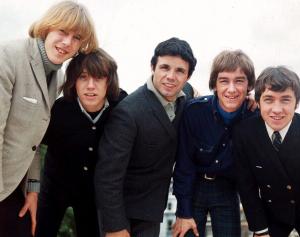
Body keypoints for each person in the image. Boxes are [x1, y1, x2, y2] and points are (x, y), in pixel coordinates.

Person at [0, 1, 98, 236]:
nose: (67, 42)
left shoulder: (58, 77)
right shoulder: (8, 57)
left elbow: (34, 140)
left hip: (16, 185)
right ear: (47, 28)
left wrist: (33, 190)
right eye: (62, 31)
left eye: (76, 37)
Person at [94, 37, 197, 237]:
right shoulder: (128, 112)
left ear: (188, 76)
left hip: (151, 212)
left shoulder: (185, 98)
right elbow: (107, 175)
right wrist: (114, 226)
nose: (170, 76)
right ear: (153, 66)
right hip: (122, 213)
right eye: (164, 67)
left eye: (179, 71)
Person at [35, 48, 127, 237]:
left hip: (94, 192)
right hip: (55, 186)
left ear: (109, 81)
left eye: (98, 78)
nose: (90, 86)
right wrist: (32, 189)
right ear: (73, 81)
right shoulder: (58, 110)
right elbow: (32, 148)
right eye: (83, 77)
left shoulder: (122, 106)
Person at [172, 50, 257, 237]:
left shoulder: (255, 116)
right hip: (193, 187)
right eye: (224, 81)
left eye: (239, 81)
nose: (232, 89)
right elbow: (184, 165)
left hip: (227, 189)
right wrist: (183, 211)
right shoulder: (194, 112)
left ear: (249, 85)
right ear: (215, 85)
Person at [233, 66, 300, 236]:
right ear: (258, 101)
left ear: (297, 103)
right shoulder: (245, 133)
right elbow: (247, 188)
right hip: (272, 216)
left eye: (285, 100)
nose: (277, 110)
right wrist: (260, 230)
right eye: (269, 99)